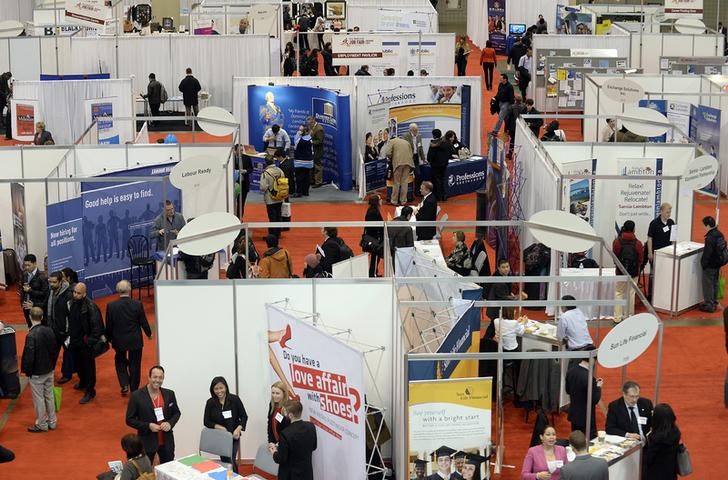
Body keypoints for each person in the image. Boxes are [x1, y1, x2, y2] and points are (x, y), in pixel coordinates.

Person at [126, 365, 181, 464]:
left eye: (160, 377)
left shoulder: (169, 394)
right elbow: (129, 419)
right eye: (155, 377)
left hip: (167, 441)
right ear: (149, 377)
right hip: (147, 442)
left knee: (168, 470)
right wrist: (148, 426)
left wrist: (169, 423)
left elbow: (176, 413)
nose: (157, 380)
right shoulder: (136, 396)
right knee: (145, 473)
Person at [105, 280, 152, 395]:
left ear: (118, 290)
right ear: (130, 289)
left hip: (119, 340)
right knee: (135, 364)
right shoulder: (137, 304)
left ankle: (124, 383)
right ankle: (134, 389)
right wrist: (148, 333)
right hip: (135, 340)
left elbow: (109, 325)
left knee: (120, 361)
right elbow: (143, 322)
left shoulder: (111, 306)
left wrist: (109, 338)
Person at [21, 307, 58, 433]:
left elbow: (29, 356)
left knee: (39, 399)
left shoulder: (31, 335)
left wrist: (27, 371)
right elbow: (54, 351)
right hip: (49, 370)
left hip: (37, 373)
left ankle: (42, 424)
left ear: (30, 317)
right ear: (42, 317)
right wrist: (52, 366)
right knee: (49, 396)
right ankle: (52, 422)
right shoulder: (49, 331)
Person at [68, 282, 104, 404]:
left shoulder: (91, 307)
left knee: (89, 368)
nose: (75, 295)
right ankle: (82, 382)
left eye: (78, 293)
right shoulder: (73, 303)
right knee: (78, 364)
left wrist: (89, 342)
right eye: (74, 292)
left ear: (84, 294)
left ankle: (90, 390)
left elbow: (97, 328)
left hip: (86, 344)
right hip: (75, 341)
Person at [203, 376, 248, 473]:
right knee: (225, 461)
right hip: (220, 437)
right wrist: (220, 427)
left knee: (230, 459)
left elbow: (244, 416)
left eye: (221, 388)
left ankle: (236, 477)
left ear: (226, 387)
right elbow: (206, 421)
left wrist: (239, 428)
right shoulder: (210, 402)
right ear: (212, 389)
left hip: (233, 436)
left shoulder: (234, 399)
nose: (219, 391)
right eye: (216, 388)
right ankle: (228, 477)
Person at [269, 400, 317, 480]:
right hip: (306, 473)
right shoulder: (311, 426)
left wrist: (274, 451)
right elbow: (313, 447)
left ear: (290, 415)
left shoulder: (285, 433)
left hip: (290, 475)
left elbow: (281, 458)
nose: (283, 414)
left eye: (284, 412)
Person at [46, 270, 74, 384]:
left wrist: (69, 331)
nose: (51, 284)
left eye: (54, 282)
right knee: (52, 352)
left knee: (68, 353)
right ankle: (49, 372)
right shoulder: (51, 292)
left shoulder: (68, 295)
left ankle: (67, 374)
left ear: (61, 281)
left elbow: (71, 314)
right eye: (50, 282)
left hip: (65, 331)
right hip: (53, 329)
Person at [486, 259, 527, 338]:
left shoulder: (507, 275)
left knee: (493, 327)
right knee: (494, 327)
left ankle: (485, 343)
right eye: (503, 267)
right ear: (498, 268)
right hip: (497, 309)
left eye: (507, 266)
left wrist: (509, 293)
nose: (506, 269)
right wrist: (519, 297)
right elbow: (504, 298)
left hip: (499, 306)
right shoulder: (499, 282)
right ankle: (486, 343)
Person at [612, 220, 643, 323]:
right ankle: (629, 316)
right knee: (631, 293)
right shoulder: (638, 243)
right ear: (634, 229)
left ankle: (617, 317)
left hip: (620, 272)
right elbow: (640, 259)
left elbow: (615, 257)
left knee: (619, 292)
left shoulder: (617, 242)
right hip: (633, 273)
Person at [565, 357, 602, 439]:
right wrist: (598, 387)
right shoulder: (589, 377)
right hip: (587, 415)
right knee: (590, 441)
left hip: (574, 413)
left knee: (576, 440)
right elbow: (595, 399)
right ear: (592, 360)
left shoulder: (571, 371)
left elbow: (568, 391)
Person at [642, 403, 680, 480]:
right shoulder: (676, 432)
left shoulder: (656, 439)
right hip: (670, 472)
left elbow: (648, 459)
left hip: (655, 475)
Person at [647, 203, 674, 299]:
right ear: (661, 211)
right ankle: (651, 295)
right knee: (653, 274)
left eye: (670, 212)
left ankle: (663, 293)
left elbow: (673, 238)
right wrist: (650, 253)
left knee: (665, 274)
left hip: (667, 253)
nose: (669, 214)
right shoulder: (654, 223)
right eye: (667, 212)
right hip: (656, 253)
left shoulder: (671, 222)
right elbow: (649, 238)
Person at [700, 215, 724, 312]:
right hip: (718, 263)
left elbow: (707, 254)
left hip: (710, 265)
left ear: (708, 226)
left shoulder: (709, 238)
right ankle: (714, 301)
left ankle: (709, 305)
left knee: (708, 284)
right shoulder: (719, 234)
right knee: (715, 282)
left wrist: (703, 264)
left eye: (704, 225)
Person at [260, 155, 286, 237]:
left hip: (270, 198)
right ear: (274, 161)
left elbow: (263, 187)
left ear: (265, 163)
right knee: (278, 215)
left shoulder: (266, 173)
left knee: (272, 217)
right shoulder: (280, 171)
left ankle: (272, 235)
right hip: (280, 197)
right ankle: (278, 233)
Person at [20, 254, 49, 328]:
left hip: (37, 308)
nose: (26, 267)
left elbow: (45, 294)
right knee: (30, 327)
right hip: (26, 307)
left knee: (39, 328)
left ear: (35, 263)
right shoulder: (25, 275)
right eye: (25, 265)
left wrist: (30, 290)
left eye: (28, 265)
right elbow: (22, 290)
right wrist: (22, 302)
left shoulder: (42, 277)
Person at [387, 134, 415, 206]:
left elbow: (388, 153)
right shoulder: (406, 142)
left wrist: (391, 157)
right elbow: (411, 153)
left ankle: (394, 201)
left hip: (398, 163)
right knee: (404, 182)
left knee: (396, 182)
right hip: (408, 163)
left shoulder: (392, 141)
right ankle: (403, 201)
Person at [427, 129, 454, 202]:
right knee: (443, 180)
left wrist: (429, 161)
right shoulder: (446, 143)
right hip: (444, 164)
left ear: (434, 135)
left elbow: (430, 156)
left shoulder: (433, 144)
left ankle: (438, 196)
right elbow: (451, 152)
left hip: (435, 165)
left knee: (437, 181)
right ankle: (444, 196)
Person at [363, 194, 384, 277]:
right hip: (374, 238)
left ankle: (374, 272)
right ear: (377, 202)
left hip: (373, 237)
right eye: (380, 199)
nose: (381, 200)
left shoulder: (373, 210)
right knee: (375, 257)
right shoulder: (373, 212)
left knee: (375, 257)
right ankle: (372, 274)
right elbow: (374, 227)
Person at [402, 123, 426, 193]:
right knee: (407, 175)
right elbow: (404, 148)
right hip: (408, 158)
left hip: (416, 157)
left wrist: (423, 159)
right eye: (415, 130)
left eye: (417, 130)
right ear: (410, 130)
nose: (416, 131)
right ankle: (407, 192)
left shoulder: (419, 136)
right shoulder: (405, 136)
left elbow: (420, 148)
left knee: (418, 174)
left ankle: (417, 191)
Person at [293, 126, 314, 197]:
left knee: (299, 178)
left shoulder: (299, 140)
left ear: (302, 132)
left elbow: (295, 147)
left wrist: (297, 135)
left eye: (300, 130)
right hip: (309, 162)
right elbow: (312, 150)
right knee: (307, 177)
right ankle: (306, 192)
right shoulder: (310, 139)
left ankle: (299, 192)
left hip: (299, 162)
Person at [307, 116, 325, 187]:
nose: (309, 125)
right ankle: (313, 180)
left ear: (314, 120)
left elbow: (320, 141)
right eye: (308, 123)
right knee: (312, 166)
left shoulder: (319, 129)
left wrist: (310, 142)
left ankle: (318, 182)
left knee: (318, 166)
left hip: (317, 150)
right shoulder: (311, 127)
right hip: (311, 150)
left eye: (311, 123)